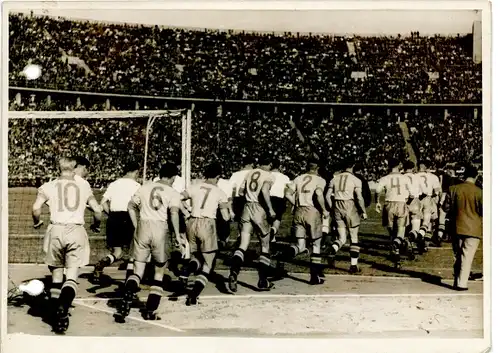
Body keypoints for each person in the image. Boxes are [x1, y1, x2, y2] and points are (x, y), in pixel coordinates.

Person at [32, 157, 102, 334]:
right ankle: (64, 308)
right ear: (74, 168)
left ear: (59, 168)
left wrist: (37, 221)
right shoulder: (84, 185)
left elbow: (35, 208)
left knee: (56, 277)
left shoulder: (49, 186)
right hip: (76, 230)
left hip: (56, 229)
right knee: (71, 277)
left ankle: (57, 313)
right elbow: (98, 210)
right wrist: (96, 224)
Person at [115, 163, 182, 322]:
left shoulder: (145, 187)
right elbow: (174, 214)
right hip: (160, 228)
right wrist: (178, 235)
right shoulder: (172, 192)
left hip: (143, 226)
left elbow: (130, 206)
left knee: (137, 271)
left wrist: (136, 225)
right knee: (159, 273)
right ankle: (150, 310)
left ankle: (127, 297)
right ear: (172, 177)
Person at [179, 162, 231, 305]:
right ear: (218, 176)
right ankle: (193, 295)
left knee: (196, 257)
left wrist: (185, 211)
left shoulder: (194, 187)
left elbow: (178, 198)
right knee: (208, 262)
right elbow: (226, 217)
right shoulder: (220, 192)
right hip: (207, 223)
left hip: (192, 222)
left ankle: (186, 270)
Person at [227, 155, 276, 292]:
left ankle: (234, 273)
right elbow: (265, 191)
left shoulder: (249, 173)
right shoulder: (269, 175)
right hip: (258, 208)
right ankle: (262, 280)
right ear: (269, 164)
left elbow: (241, 192)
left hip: (246, 208)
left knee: (243, 244)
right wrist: (270, 209)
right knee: (265, 245)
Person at [277, 158, 328, 284]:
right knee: (316, 245)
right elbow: (318, 193)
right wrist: (324, 210)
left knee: (300, 246)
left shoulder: (299, 178)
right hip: (312, 211)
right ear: (317, 168)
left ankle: (283, 256)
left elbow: (288, 194)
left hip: (299, 211)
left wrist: (296, 204)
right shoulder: (320, 179)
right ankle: (314, 277)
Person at [92, 162, 141, 283]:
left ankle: (103, 262)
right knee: (132, 253)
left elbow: (103, 202)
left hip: (114, 217)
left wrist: (110, 214)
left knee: (117, 252)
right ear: (135, 172)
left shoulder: (114, 184)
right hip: (128, 217)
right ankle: (129, 282)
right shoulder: (137, 185)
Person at [443, 165, 482, 291]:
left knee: (458, 255)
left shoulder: (453, 189)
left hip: (456, 226)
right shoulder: (479, 192)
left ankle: (457, 280)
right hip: (474, 228)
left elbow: (446, 208)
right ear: (476, 176)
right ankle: (461, 283)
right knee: (467, 256)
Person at [325, 159, 367, 274]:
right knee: (354, 238)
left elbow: (328, 196)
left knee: (342, 238)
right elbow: (359, 197)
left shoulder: (334, 179)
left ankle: (332, 249)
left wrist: (331, 208)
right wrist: (363, 211)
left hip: (337, 206)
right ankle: (353, 265)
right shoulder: (356, 180)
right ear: (353, 166)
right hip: (349, 205)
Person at [375, 158, 416, 268]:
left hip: (388, 204)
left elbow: (378, 190)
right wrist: (407, 203)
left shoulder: (385, 178)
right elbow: (412, 194)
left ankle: (395, 253)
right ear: (399, 165)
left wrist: (377, 202)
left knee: (392, 232)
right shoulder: (405, 178)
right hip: (401, 203)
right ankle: (397, 247)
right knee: (401, 231)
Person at [415, 160, 442, 252]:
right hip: (428, 199)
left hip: (416, 200)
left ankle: (419, 239)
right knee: (429, 222)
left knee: (416, 221)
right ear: (426, 167)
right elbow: (437, 191)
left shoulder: (414, 176)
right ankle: (425, 243)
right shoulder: (433, 177)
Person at [269, 159, 292, 246]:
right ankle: (274, 230)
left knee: (268, 218)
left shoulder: (267, 174)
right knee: (277, 218)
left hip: (268, 197)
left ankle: (271, 237)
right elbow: (289, 188)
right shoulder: (284, 177)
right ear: (280, 166)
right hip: (279, 198)